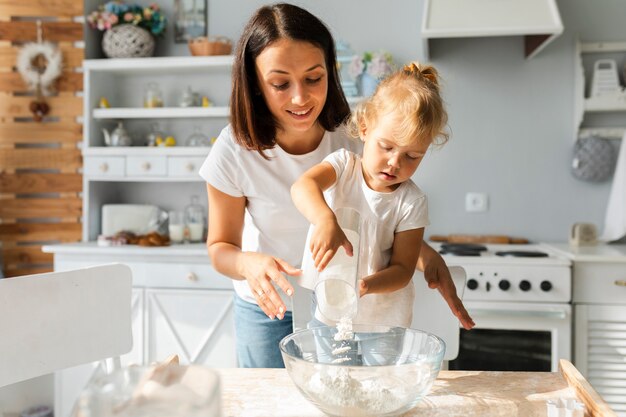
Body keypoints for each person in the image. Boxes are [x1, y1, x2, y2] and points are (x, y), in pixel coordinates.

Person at [199, 3, 474, 369]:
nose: (301, 98)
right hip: (270, 304)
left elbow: (381, 219)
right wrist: (249, 264)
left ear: (331, 70)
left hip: (342, 304)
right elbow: (220, 248)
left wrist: (425, 257)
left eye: (314, 78)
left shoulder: (356, 137)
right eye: (280, 84)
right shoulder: (234, 150)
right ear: (255, 84)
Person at [292, 62, 448, 328]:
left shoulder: (412, 202)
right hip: (329, 306)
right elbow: (303, 186)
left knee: (381, 373)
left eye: (412, 156)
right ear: (364, 129)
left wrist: (365, 285)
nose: (394, 163)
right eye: (386, 147)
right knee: (331, 369)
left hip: (384, 321)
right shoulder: (343, 167)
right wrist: (324, 220)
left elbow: (402, 270)